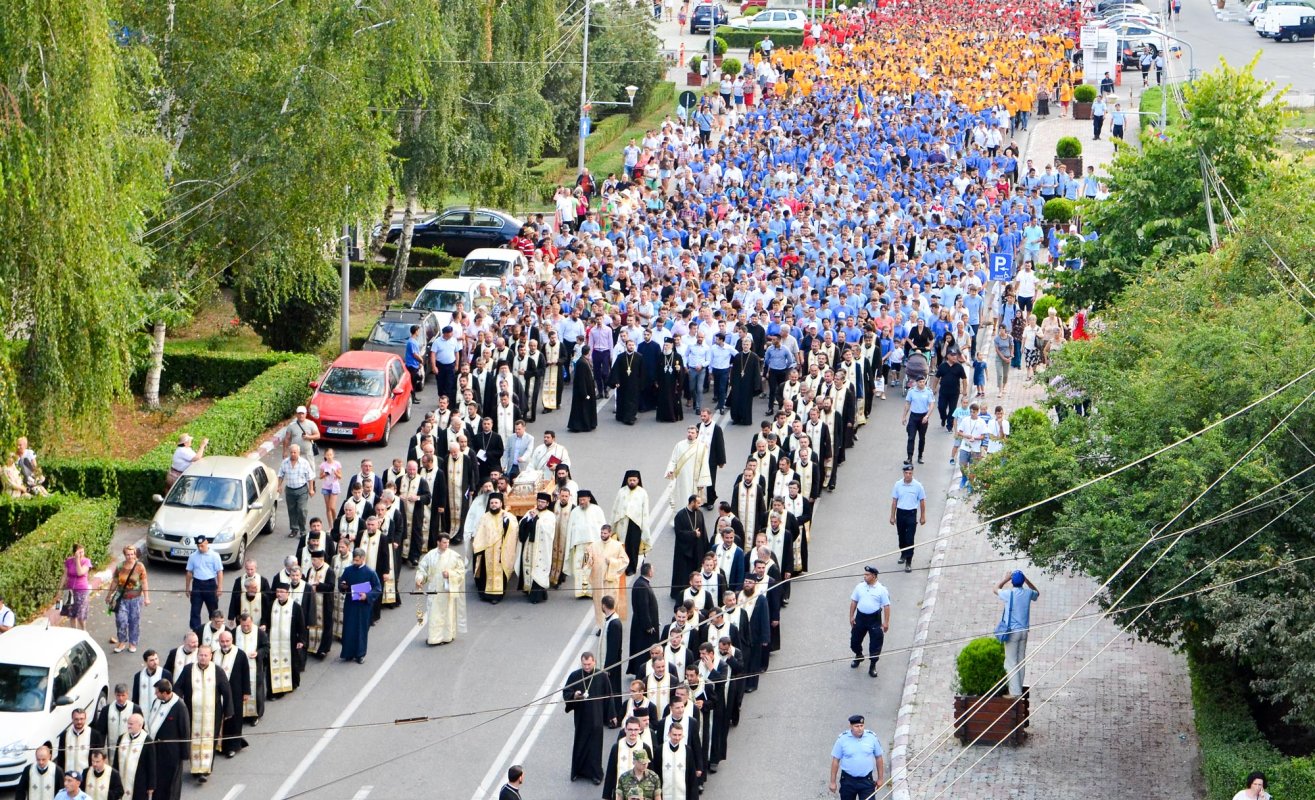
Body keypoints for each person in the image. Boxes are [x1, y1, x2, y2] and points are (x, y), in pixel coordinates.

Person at [174, 646, 232, 783]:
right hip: (192, 712)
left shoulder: (217, 671)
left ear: (210, 656)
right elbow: (178, 687)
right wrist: (176, 703)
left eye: (206, 655)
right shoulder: (189, 669)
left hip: (213, 714)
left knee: (209, 740)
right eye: (201, 655)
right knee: (194, 739)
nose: (203, 658)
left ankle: (205, 770)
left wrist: (228, 710)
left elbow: (226, 691)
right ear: (197, 655)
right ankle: (195, 769)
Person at [563, 652, 618, 785]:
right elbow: (566, 691)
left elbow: (608, 696)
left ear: (594, 662)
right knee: (580, 744)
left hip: (596, 718)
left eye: (589, 664)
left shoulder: (601, 676)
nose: (587, 667)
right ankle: (578, 772)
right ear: (581, 663)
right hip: (581, 717)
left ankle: (595, 774)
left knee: (594, 747)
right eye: (584, 664)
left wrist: (612, 715)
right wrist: (574, 695)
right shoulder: (575, 676)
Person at [416, 532, 467, 643]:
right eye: (444, 542)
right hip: (434, 590)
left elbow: (461, 572)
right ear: (438, 542)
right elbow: (422, 569)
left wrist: (450, 574)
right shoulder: (430, 555)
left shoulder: (454, 556)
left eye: (448, 542)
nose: (446, 545)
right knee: (433, 614)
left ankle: (447, 636)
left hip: (447, 590)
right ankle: (434, 638)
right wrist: (420, 579)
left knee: (447, 614)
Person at [995, 570, 1040, 695]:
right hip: (1024, 632)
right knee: (1020, 661)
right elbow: (1037, 592)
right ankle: (1018, 689)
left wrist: (1005, 579)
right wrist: (1026, 579)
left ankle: (1015, 694)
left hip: (1012, 633)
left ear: (1013, 582)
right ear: (1022, 582)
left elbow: (995, 589)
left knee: (1011, 663)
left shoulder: (1009, 594)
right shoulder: (1028, 593)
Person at [146, 680, 190, 800]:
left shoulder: (179, 707)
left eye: (157, 692)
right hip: (157, 749)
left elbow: (185, 730)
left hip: (172, 752)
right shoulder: (157, 701)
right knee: (158, 779)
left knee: (170, 782)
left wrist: (185, 754)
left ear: (165, 693)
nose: (155, 694)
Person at [338, 548, 382, 664]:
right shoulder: (348, 570)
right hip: (350, 604)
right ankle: (348, 653)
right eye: (354, 560)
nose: (355, 563)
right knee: (348, 628)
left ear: (363, 559)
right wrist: (342, 586)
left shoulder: (370, 573)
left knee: (361, 630)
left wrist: (367, 596)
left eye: (357, 560)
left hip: (363, 606)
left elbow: (378, 588)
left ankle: (360, 654)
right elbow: (342, 582)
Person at [472, 491, 518, 603]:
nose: (493, 505)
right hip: (486, 550)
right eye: (492, 503)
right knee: (485, 573)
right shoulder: (485, 517)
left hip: (500, 551)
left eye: (496, 503)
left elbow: (514, 530)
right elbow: (480, 533)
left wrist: (506, 523)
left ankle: (497, 596)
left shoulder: (508, 516)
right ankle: (485, 595)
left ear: (501, 504)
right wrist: (478, 548)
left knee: (499, 573)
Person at [828, 714, 886, 800]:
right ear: (851, 726)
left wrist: (880, 778)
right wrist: (832, 782)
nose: (860, 728)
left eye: (861, 726)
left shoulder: (871, 737)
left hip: (866, 780)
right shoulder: (842, 739)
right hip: (848, 781)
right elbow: (835, 760)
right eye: (856, 726)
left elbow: (879, 758)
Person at [213, 631, 250, 757]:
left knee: (234, 720)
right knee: (219, 719)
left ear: (232, 640)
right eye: (222, 641)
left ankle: (232, 746)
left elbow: (246, 674)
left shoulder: (239, 654)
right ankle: (219, 745)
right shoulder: (214, 654)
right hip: (218, 694)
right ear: (219, 641)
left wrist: (246, 692)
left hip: (235, 693)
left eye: (227, 641)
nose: (225, 644)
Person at [849, 567, 891, 678]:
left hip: (874, 619)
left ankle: (872, 665)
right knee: (854, 641)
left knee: (875, 644)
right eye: (864, 574)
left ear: (873, 576)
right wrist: (851, 616)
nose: (864, 576)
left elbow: (886, 606)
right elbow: (854, 601)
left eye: (867, 574)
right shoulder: (860, 586)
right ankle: (858, 655)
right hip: (860, 618)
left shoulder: (882, 590)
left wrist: (886, 622)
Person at [107, 546, 149, 654]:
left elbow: (144, 582)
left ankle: (133, 643)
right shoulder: (120, 566)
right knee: (121, 621)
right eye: (128, 554)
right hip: (121, 599)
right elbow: (115, 582)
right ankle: (121, 642)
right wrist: (109, 595)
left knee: (134, 622)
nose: (130, 556)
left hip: (135, 599)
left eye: (132, 554)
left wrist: (147, 597)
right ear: (124, 555)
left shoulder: (139, 566)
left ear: (135, 554)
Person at [585, 525, 629, 625]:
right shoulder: (594, 545)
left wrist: (612, 562)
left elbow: (625, 561)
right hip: (598, 580)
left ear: (610, 533)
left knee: (611, 603)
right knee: (598, 604)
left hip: (611, 581)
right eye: (601, 533)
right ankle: (601, 626)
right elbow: (586, 560)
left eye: (605, 533)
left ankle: (611, 624)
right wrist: (589, 560)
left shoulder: (617, 546)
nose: (602, 535)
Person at [267, 585, 306, 695]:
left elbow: (301, 625)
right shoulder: (271, 605)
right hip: (273, 641)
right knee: (273, 664)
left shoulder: (295, 607)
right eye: (277, 591)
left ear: (288, 593)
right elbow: (265, 619)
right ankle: (274, 690)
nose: (279, 594)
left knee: (291, 663)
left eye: (282, 591)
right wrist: (264, 625)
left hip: (290, 641)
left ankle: (291, 684)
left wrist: (301, 640)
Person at [611, 470, 651, 575]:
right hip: (622, 522)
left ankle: (631, 568)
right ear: (627, 480)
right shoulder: (621, 491)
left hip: (635, 524)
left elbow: (645, 511)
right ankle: (621, 565)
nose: (632, 482)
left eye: (634, 480)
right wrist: (613, 524)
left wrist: (644, 526)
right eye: (630, 480)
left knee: (633, 546)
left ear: (638, 480)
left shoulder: (642, 493)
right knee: (622, 545)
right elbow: (615, 508)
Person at [889, 464, 927, 571]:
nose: (908, 475)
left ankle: (909, 562)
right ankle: (903, 554)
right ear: (903, 473)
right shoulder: (898, 485)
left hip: (911, 514)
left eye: (910, 473)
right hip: (900, 513)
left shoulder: (918, 485)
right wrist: (892, 516)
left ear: (912, 473)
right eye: (906, 473)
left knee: (909, 539)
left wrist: (922, 516)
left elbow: (922, 501)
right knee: (901, 537)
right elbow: (894, 501)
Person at [665, 426, 710, 511]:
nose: (690, 434)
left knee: (692, 500)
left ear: (697, 434)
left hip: (694, 480)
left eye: (692, 433)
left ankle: (692, 520)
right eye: (688, 432)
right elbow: (673, 459)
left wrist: (702, 482)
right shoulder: (679, 445)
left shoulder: (701, 447)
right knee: (680, 499)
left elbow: (704, 465)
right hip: (681, 479)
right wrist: (670, 470)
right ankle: (680, 519)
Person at [670, 495, 707, 601]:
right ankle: (681, 594)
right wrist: (693, 534)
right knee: (683, 573)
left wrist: (705, 548)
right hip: (684, 550)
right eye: (698, 503)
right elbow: (679, 533)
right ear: (692, 502)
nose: (700, 505)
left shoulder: (699, 514)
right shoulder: (680, 516)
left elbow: (703, 531)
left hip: (697, 549)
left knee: (696, 570)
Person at [92, 684, 139, 766]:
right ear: (115, 694)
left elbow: (140, 729)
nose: (120, 698)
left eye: (123, 695)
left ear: (127, 694)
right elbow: (101, 732)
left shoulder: (135, 709)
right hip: (112, 748)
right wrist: (100, 749)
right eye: (118, 695)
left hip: (129, 748)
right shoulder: (107, 710)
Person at [651, 722, 699, 800]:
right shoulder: (660, 750)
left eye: (679, 735)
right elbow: (655, 773)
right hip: (664, 793)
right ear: (669, 734)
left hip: (682, 794)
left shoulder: (687, 750)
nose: (677, 738)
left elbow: (692, 776)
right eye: (674, 735)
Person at [184, 536, 223, 631]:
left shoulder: (214, 556)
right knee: (195, 610)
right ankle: (196, 631)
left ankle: (214, 629)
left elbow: (219, 572)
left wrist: (220, 587)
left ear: (206, 543)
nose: (200, 548)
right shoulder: (193, 556)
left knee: (213, 610)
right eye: (198, 546)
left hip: (210, 584)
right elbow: (189, 572)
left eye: (202, 546)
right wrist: (187, 587)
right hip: (197, 584)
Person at [278, 443, 316, 541]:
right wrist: (279, 486)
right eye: (291, 452)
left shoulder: (304, 463)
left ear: (298, 452)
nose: (293, 454)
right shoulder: (285, 463)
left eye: (295, 452)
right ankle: (294, 529)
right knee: (292, 510)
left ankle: (303, 530)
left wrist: (311, 489)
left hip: (302, 490)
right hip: (290, 490)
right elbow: (281, 475)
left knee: (302, 510)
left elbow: (310, 477)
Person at [628, 562, 661, 677]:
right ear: (649, 572)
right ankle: (642, 671)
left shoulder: (642, 583)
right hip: (644, 628)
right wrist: (648, 625)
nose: (654, 572)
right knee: (643, 649)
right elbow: (643, 607)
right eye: (653, 569)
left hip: (643, 624)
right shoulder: (642, 586)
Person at [114, 714, 154, 800]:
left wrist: (151, 785)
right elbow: (115, 761)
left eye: (131, 724)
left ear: (140, 725)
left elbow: (151, 765)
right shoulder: (122, 738)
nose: (128, 726)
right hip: (121, 779)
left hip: (139, 782)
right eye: (128, 723)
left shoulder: (147, 741)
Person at [58, 708, 105, 773]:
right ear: (72, 719)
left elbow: (99, 757)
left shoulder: (94, 735)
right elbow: (60, 758)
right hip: (69, 775)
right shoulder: (65, 735)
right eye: (76, 719)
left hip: (87, 774)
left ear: (85, 719)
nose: (79, 722)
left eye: (81, 719)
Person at [60, 544, 92, 631]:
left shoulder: (86, 561)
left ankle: (84, 630)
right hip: (69, 590)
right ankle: (75, 631)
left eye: (83, 552)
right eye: (79, 552)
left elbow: (80, 572)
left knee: (80, 615)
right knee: (71, 614)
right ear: (74, 553)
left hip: (81, 591)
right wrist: (59, 590)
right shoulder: (69, 561)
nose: (82, 554)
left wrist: (77, 560)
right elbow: (64, 576)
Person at [902, 375, 933, 464]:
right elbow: (907, 404)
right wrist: (904, 416)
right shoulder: (912, 391)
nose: (922, 383)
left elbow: (931, 405)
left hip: (923, 417)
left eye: (923, 382)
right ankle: (909, 457)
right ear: (916, 382)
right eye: (920, 382)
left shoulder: (928, 391)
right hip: (914, 417)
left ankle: (920, 456)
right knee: (911, 437)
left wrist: (927, 416)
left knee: (922, 438)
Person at [568, 345, 598, 432]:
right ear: (588, 352)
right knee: (581, 409)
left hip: (588, 389)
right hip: (583, 391)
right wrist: (584, 393)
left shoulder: (585, 361)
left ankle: (588, 424)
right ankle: (580, 426)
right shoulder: (582, 362)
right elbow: (581, 380)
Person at [318, 448, 343, 528]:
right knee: (328, 507)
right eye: (327, 455)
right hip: (326, 487)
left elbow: (340, 476)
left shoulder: (337, 464)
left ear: (333, 455)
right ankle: (330, 526)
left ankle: (336, 522)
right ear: (325, 455)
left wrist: (335, 472)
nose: (329, 456)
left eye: (331, 455)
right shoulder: (323, 465)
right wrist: (325, 474)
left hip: (334, 486)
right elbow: (320, 476)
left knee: (332, 507)